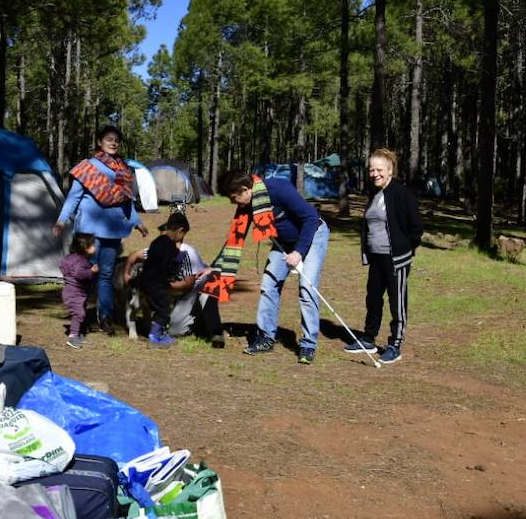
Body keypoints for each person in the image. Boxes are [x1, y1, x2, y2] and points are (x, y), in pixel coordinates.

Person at [210, 168, 330, 364]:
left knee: (307, 289)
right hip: (284, 243)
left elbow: (311, 218)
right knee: (268, 284)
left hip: (313, 235)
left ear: (245, 189)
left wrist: (299, 252)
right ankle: (266, 337)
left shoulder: (278, 189)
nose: (233, 203)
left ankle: (308, 344)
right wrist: (215, 266)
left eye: (233, 198)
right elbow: (234, 238)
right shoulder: (248, 204)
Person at [53, 127, 146, 334]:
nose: (113, 143)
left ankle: (105, 318)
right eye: (109, 139)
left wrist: (137, 222)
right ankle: (79, 316)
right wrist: (61, 221)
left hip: (113, 231)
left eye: (117, 140)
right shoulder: (87, 168)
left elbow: (126, 202)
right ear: (99, 141)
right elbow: (73, 198)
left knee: (105, 276)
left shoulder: (123, 170)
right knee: (84, 276)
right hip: (88, 233)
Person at [345, 148, 423, 364]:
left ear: (390, 171)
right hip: (376, 257)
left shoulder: (401, 193)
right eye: (371, 170)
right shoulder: (375, 194)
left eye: (379, 170)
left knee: (396, 301)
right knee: (373, 298)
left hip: (395, 258)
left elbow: (416, 227)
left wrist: (406, 249)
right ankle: (368, 338)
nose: (374, 174)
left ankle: (395, 344)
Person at [124, 212, 198, 347]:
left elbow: (150, 260)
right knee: (164, 309)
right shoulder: (170, 246)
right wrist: (176, 265)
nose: (181, 239)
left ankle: (158, 332)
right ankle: (155, 336)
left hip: (145, 280)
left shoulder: (156, 242)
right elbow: (167, 266)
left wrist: (132, 279)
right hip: (157, 283)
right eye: (183, 235)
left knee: (157, 308)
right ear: (180, 231)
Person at [60, 233, 99, 349]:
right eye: (93, 245)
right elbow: (79, 274)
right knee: (79, 313)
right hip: (74, 292)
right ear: (85, 247)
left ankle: (77, 333)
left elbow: (62, 265)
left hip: (74, 291)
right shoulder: (82, 261)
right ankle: (73, 336)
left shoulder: (72, 257)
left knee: (80, 312)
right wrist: (91, 271)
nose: (95, 247)